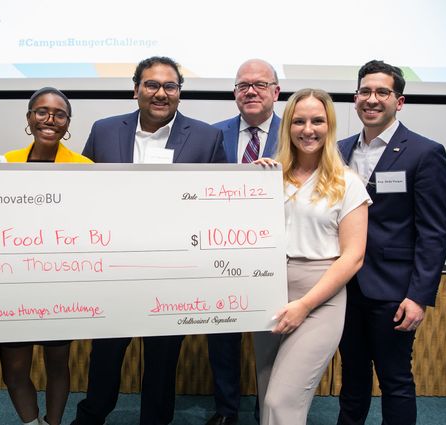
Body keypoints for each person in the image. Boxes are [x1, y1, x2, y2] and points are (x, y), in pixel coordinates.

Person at [70, 56, 227, 425]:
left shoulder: (207, 137)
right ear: (136, 89)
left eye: (170, 86)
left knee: (162, 358)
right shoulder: (105, 130)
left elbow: (220, 200)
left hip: (172, 270)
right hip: (114, 267)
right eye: (151, 85)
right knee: (105, 353)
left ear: (179, 93)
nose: (161, 93)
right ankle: (92, 415)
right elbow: (83, 192)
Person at [336, 60, 446, 425]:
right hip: (343, 286)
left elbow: (434, 232)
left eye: (382, 92)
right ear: (355, 99)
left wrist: (419, 297)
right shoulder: (338, 151)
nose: (372, 99)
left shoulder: (424, 152)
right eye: (365, 92)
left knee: (395, 380)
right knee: (351, 377)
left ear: (398, 101)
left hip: (393, 291)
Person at [252, 88, 371, 425]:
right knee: (267, 396)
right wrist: (249, 183)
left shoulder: (347, 183)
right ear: (287, 126)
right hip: (269, 291)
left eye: (318, 121)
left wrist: (304, 305)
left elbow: (353, 257)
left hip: (320, 296)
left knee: (282, 399)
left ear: (329, 126)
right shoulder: (269, 177)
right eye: (299, 121)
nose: (308, 129)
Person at [1, 87, 92, 425]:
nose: (50, 119)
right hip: (11, 282)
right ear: (29, 118)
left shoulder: (85, 167)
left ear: (68, 123)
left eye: (59, 114)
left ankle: (53, 423)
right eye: (41, 112)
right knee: (14, 368)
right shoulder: (5, 164)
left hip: (59, 282)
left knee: (57, 363)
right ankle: (31, 422)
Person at [207, 58, 281, 425]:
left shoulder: (299, 132)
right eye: (242, 85)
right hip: (221, 254)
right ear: (234, 93)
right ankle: (226, 410)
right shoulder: (211, 134)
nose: (250, 91)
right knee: (222, 338)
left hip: (280, 257)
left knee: (273, 338)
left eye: (260, 84)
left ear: (276, 92)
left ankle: (267, 410)